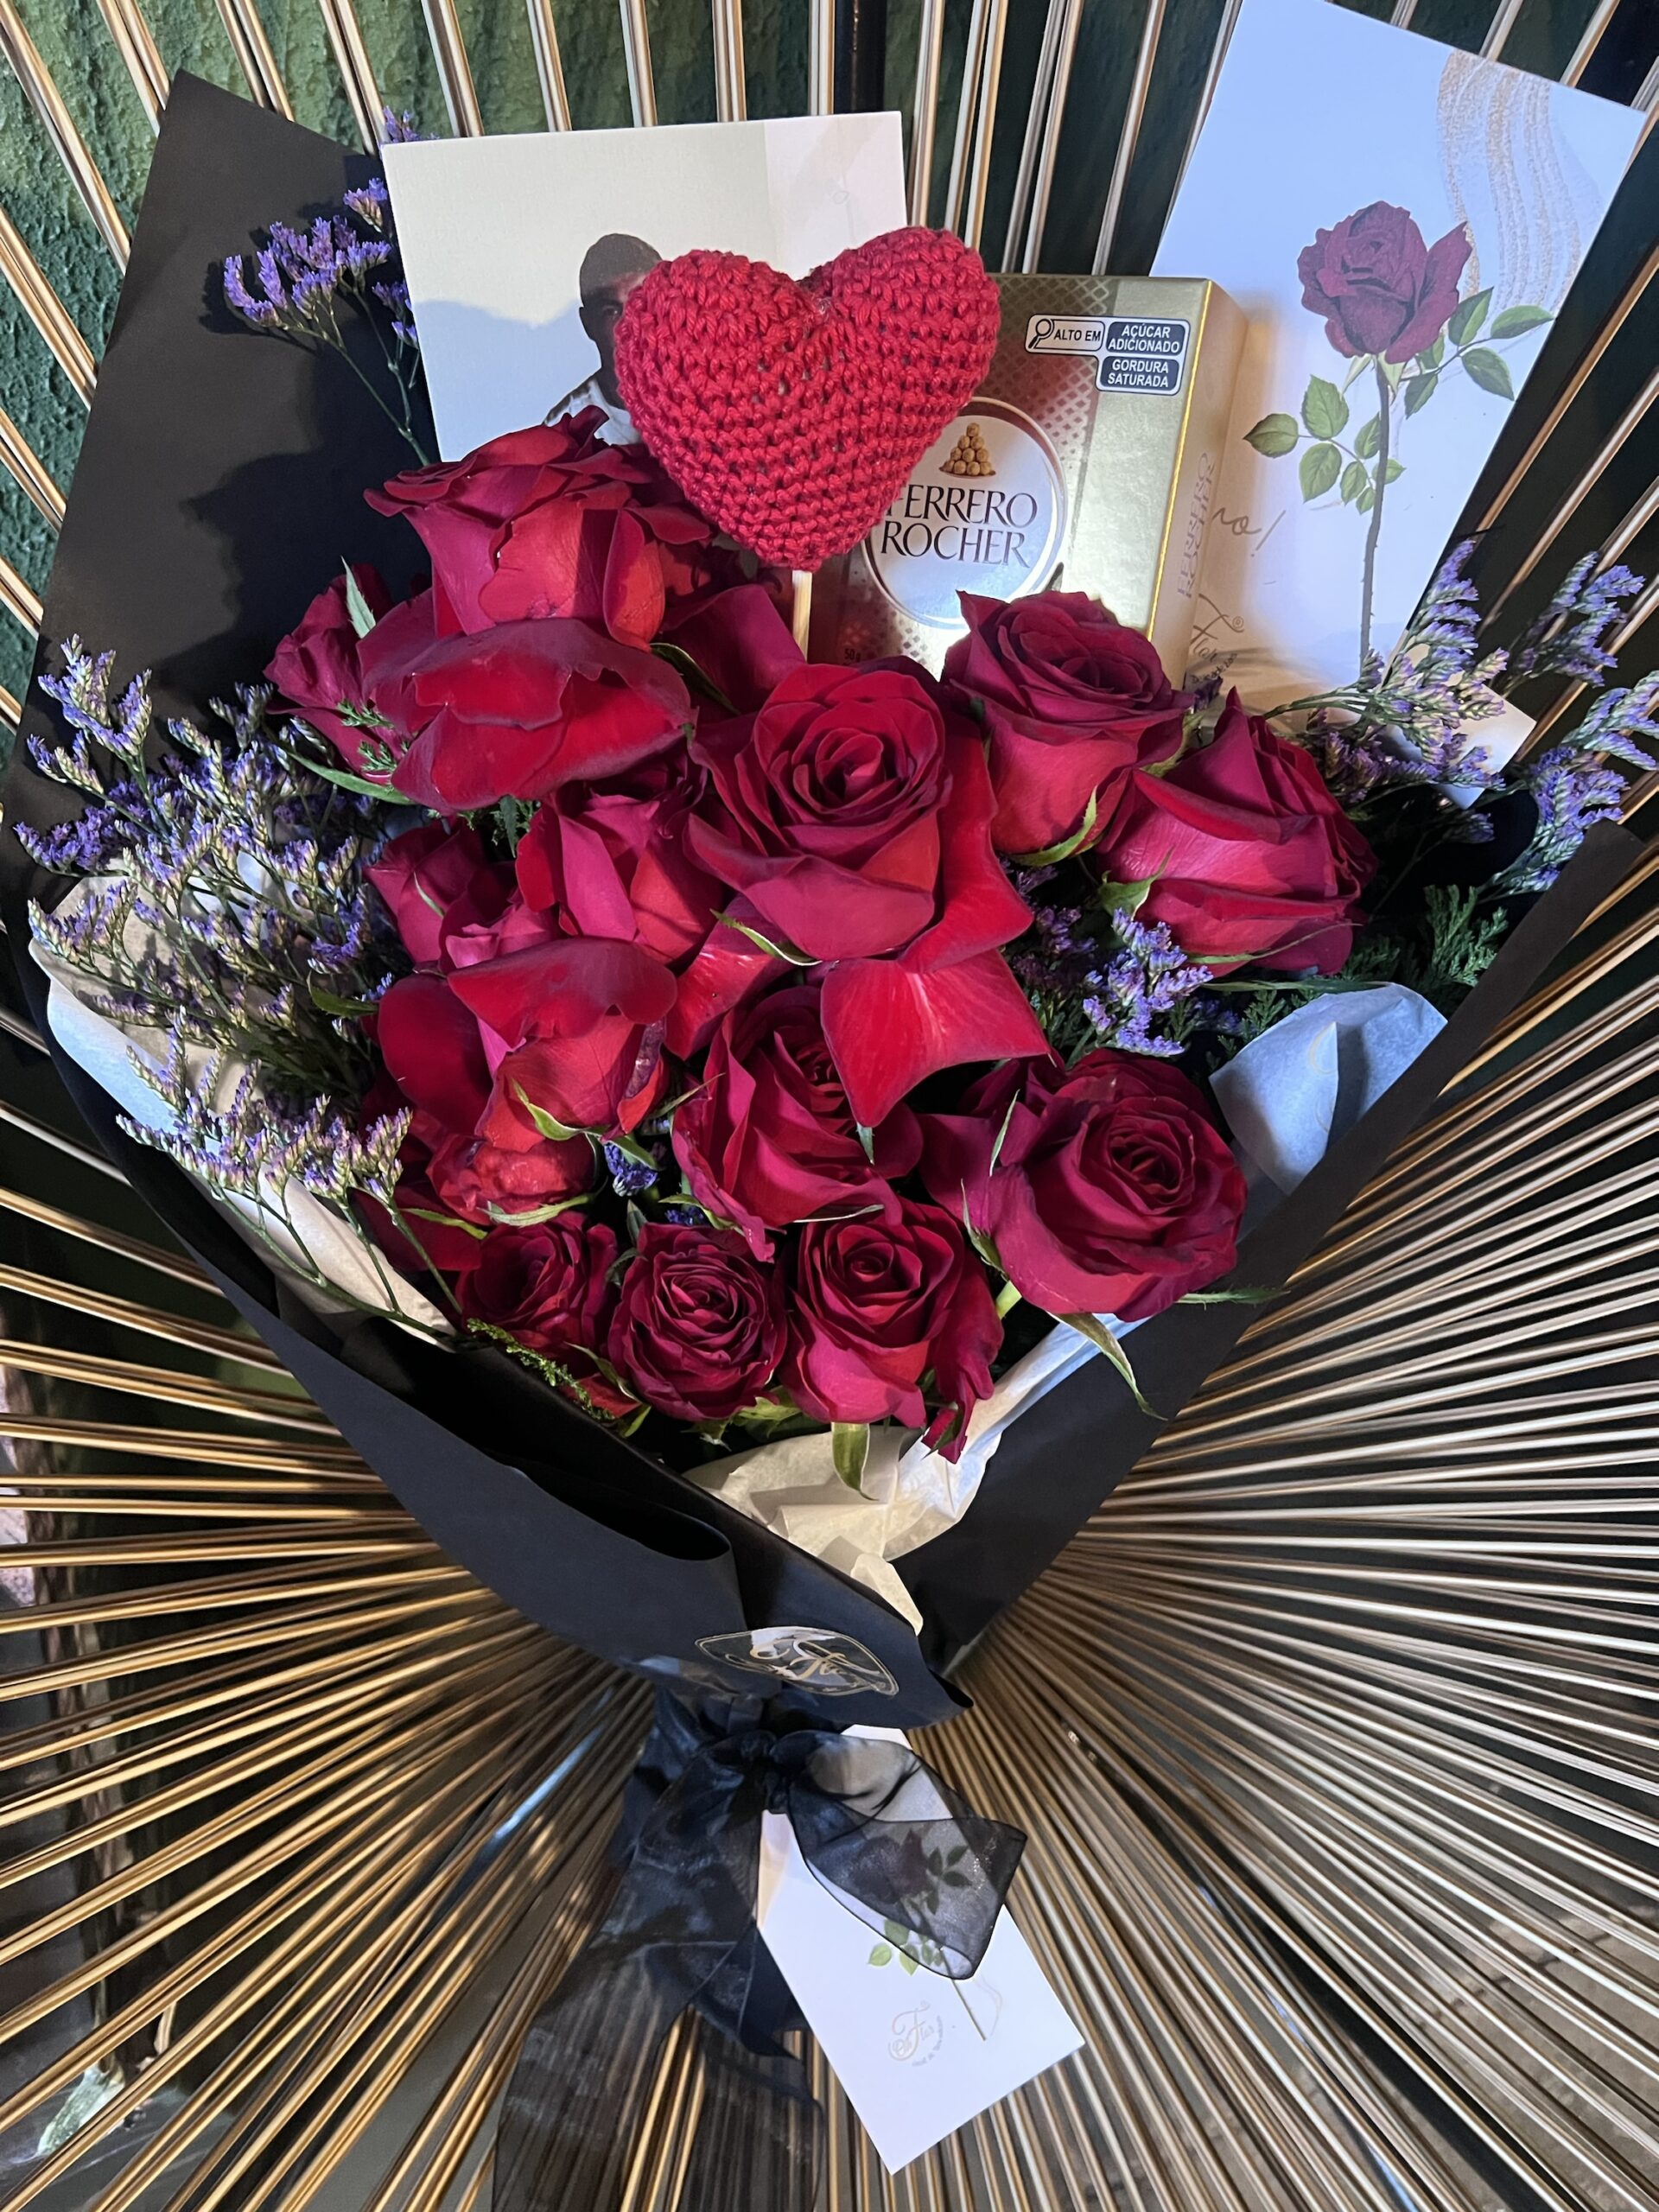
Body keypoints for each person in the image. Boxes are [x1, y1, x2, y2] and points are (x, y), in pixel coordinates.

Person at [545, 233, 663, 446]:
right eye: (612, 312)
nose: (630, 325)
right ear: (588, 324)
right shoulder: (564, 429)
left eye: (642, 304)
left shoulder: (704, 400)